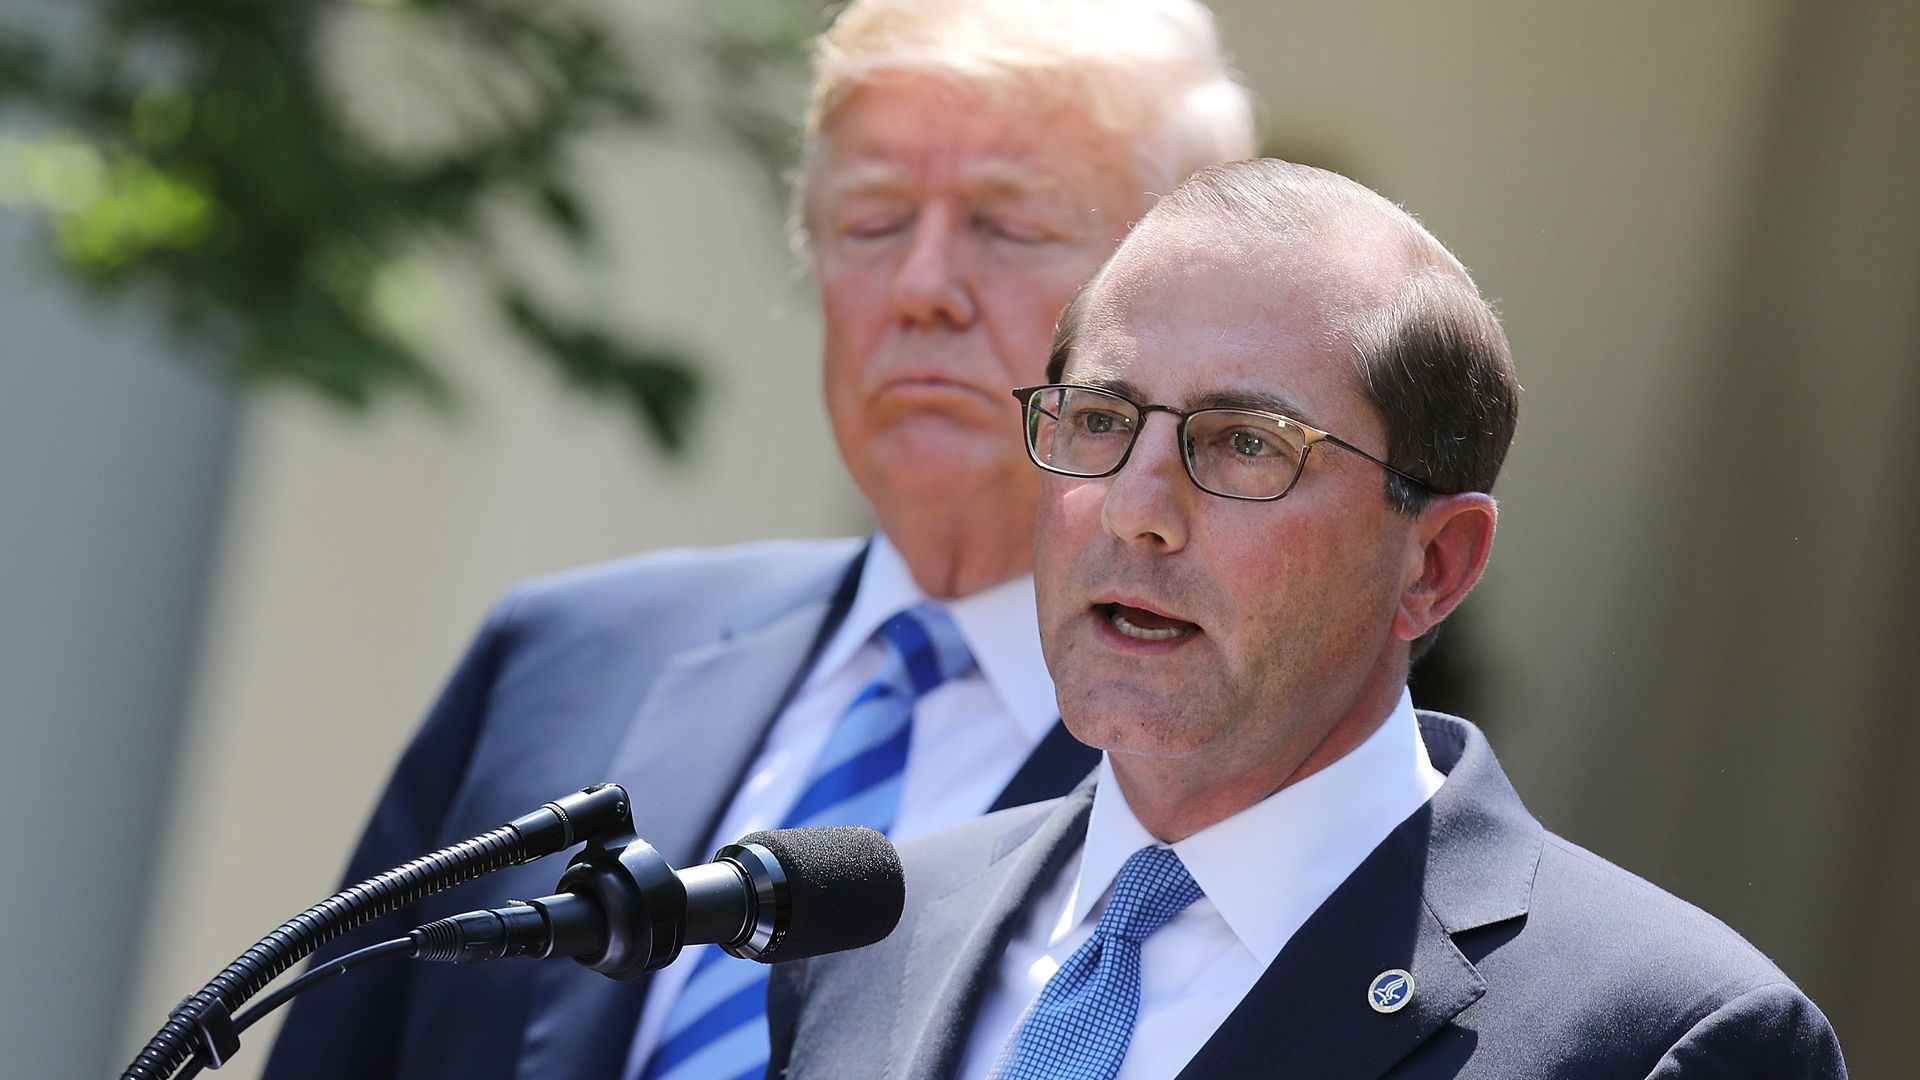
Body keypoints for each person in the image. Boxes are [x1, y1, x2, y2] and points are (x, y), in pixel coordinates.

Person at [262, 3, 1256, 1080]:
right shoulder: (563, 660)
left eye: (1008, 225)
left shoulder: (1246, 781)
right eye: (872, 223)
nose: (922, 288)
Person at [766, 159, 1847, 1078]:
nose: (1136, 511)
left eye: (1245, 443)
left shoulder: (1665, 1034)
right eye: (1100, 419)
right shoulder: (871, 931)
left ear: (1433, 564)